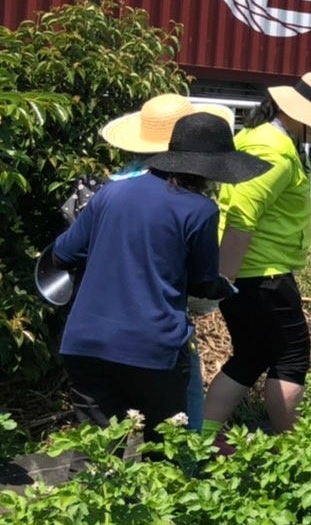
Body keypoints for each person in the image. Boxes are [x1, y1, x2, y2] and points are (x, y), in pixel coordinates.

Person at [50, 114, 269, 441]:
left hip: (86, 343)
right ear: (210, 169)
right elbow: (202, 282)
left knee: (96, 454)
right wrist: (223, 286)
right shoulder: (199, 210)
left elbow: (62, 254)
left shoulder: (110, 194)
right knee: (164, 453)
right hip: (151, 349)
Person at [204, 71, 311, 437]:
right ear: (301, 115)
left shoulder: (259, 137)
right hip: (262, 275)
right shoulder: (273, 150)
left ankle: (201, 436)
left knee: (251, 355)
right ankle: (293, 445)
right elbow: (241, 214)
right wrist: (224, 281)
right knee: (292, 358)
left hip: (250, 273)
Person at [99, 92, 237, 431]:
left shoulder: (115, 182)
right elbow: (194, 273)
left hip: (102, 320)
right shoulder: (181, 192)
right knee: (178, 426)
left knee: (104, 440)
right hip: (157, 324)